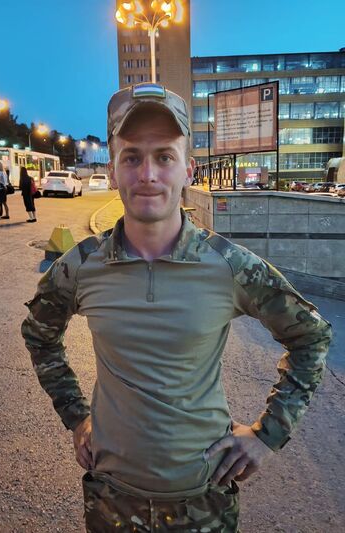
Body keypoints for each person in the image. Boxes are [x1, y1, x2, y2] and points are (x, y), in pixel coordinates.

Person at [21, 83, 332, 532]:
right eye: (131, 157)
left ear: (188, 169)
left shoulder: (230, 266)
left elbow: (312, 336)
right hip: (112, 499)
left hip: (203, 501)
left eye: (165, 156)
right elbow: (39, 335)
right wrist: (76, 416)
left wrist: (268, 435)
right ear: (112, 171)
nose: (148, 174)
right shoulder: (81, 265)